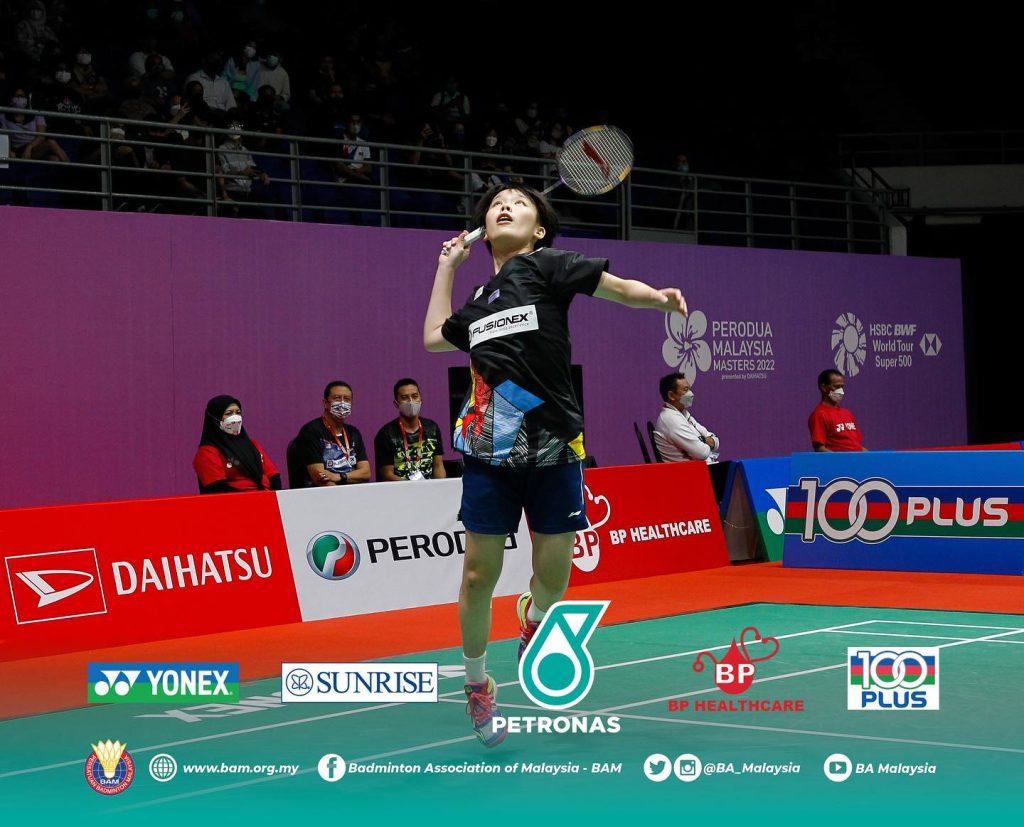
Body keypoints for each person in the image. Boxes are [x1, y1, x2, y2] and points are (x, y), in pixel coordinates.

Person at [423, 183, 688, 746]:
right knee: (477, 575)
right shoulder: (478, 301)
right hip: (489, 448)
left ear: (538, 230)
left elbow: (619, 289)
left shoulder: (548, 265)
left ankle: (535, 616)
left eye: (519, 203)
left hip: (555, 443)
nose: (505, 206)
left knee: (555, 579)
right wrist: (447, 267)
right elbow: (433, 339)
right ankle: (476, 683)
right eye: (497, 204)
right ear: (484, 230)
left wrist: (659, 299)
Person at [193, 395, 281, 493]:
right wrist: (250, 499)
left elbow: (274, 476)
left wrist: (275, 497)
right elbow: (216, 487)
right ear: (215, 419)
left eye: (238, 413)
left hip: (266, 496)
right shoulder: (207, 451)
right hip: (236, 500)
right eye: (229, 413)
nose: (235, 417)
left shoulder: (253, 445)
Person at [292, 381, 371, 487]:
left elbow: (366, 473)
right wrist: (340, 493)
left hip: (351, 490)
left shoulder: (354, 433)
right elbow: (319, 477)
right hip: (322, 493)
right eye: (337, 398)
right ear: (325, 403)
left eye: (347, 399)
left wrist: (340, 476)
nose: (342, 403)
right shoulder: (311, 431)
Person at [374, 378, 447, 482]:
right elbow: (387, 475)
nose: (411, 401)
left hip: (430, 489)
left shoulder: (432, 428)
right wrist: (411, 488)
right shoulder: (386, 434)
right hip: (399, 490)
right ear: (396, 404)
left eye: (415, 396)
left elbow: (438, 466)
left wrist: (440, 486)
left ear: (421, 400)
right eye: (404, 398)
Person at [653, 373, 720, 463]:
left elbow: (716, 441)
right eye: (686, 390)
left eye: (689, 389)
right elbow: (702, 453)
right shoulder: (671, 420)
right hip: (690, 471)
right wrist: (704, 441)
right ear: (671, 396)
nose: (691, 394)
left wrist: (702, 439)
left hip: (703, 467)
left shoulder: (683, 413)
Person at [808, 369, 868, 452]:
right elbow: (819, 449)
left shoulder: (847, 413)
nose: (841, 391)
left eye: (842, 387)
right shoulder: (819, 415)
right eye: (836, 387)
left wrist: (871, 457)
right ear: (823, 387)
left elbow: (856, 446)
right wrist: (839, 459)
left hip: (858, 459)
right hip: (839, 460)